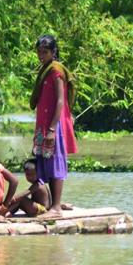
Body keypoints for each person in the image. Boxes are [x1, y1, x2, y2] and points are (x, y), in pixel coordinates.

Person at [30, 34, 78, 219]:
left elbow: (60, 101)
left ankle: (56, 207)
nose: (41, 55)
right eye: (39, 52)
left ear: (53, 52)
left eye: (45, 52)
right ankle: (55, 204)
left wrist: (51, 129)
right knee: (45, 162)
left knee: (55, 162)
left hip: (53, 125)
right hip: (43, 124)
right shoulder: (45, 70)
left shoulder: (56, 71)